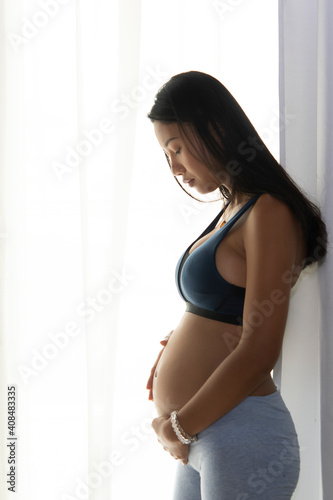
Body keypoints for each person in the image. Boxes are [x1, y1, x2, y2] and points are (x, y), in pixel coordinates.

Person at [145, 71, 327, 500]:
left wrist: (178, 427)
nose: (175, 169)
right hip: (206, 435)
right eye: (165, 156)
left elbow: (260, 348)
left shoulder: (269, 212)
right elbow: (230, 311)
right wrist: (184, 342)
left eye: (177, 150)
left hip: (240, 433)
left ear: (214, 129)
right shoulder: (232, 208)